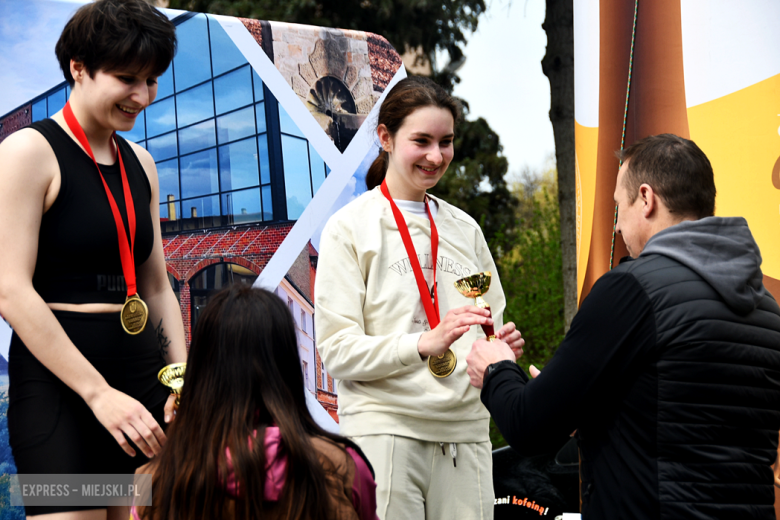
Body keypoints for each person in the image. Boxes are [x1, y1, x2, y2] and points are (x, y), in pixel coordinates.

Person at [467, 133, 780, 519]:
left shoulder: (631, 288)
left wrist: (496, 368)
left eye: (619, 207)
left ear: (646, 199)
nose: (617, 228)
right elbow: (688, 421)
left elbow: (530, 426)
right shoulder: (767, 307)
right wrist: (580, 400)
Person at [0, 0, 187, 517]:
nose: (142, 96)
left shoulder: (140, 162)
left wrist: (181, 382)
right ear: (77, 68)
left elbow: (156, 288)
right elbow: (9, 290)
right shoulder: (27, 152)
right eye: (127, 78)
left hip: (144, 378)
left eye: (151, 81)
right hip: (61, 386)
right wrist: (99, 394)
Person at [314, 76, 525, 520]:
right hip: (385, 432)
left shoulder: (465, 229)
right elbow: (336, 351)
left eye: (445, 142)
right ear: (385, 138)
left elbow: (490, 320)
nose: (436, 156)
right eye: (422, 141)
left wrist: (500, 349)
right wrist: (423, 344)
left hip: (466, 434)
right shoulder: (350, 227)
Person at [133, 285, 378, 520]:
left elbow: (99, 491)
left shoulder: (155, 480)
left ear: (200, 373)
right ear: (288, 370)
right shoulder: (343, 465)